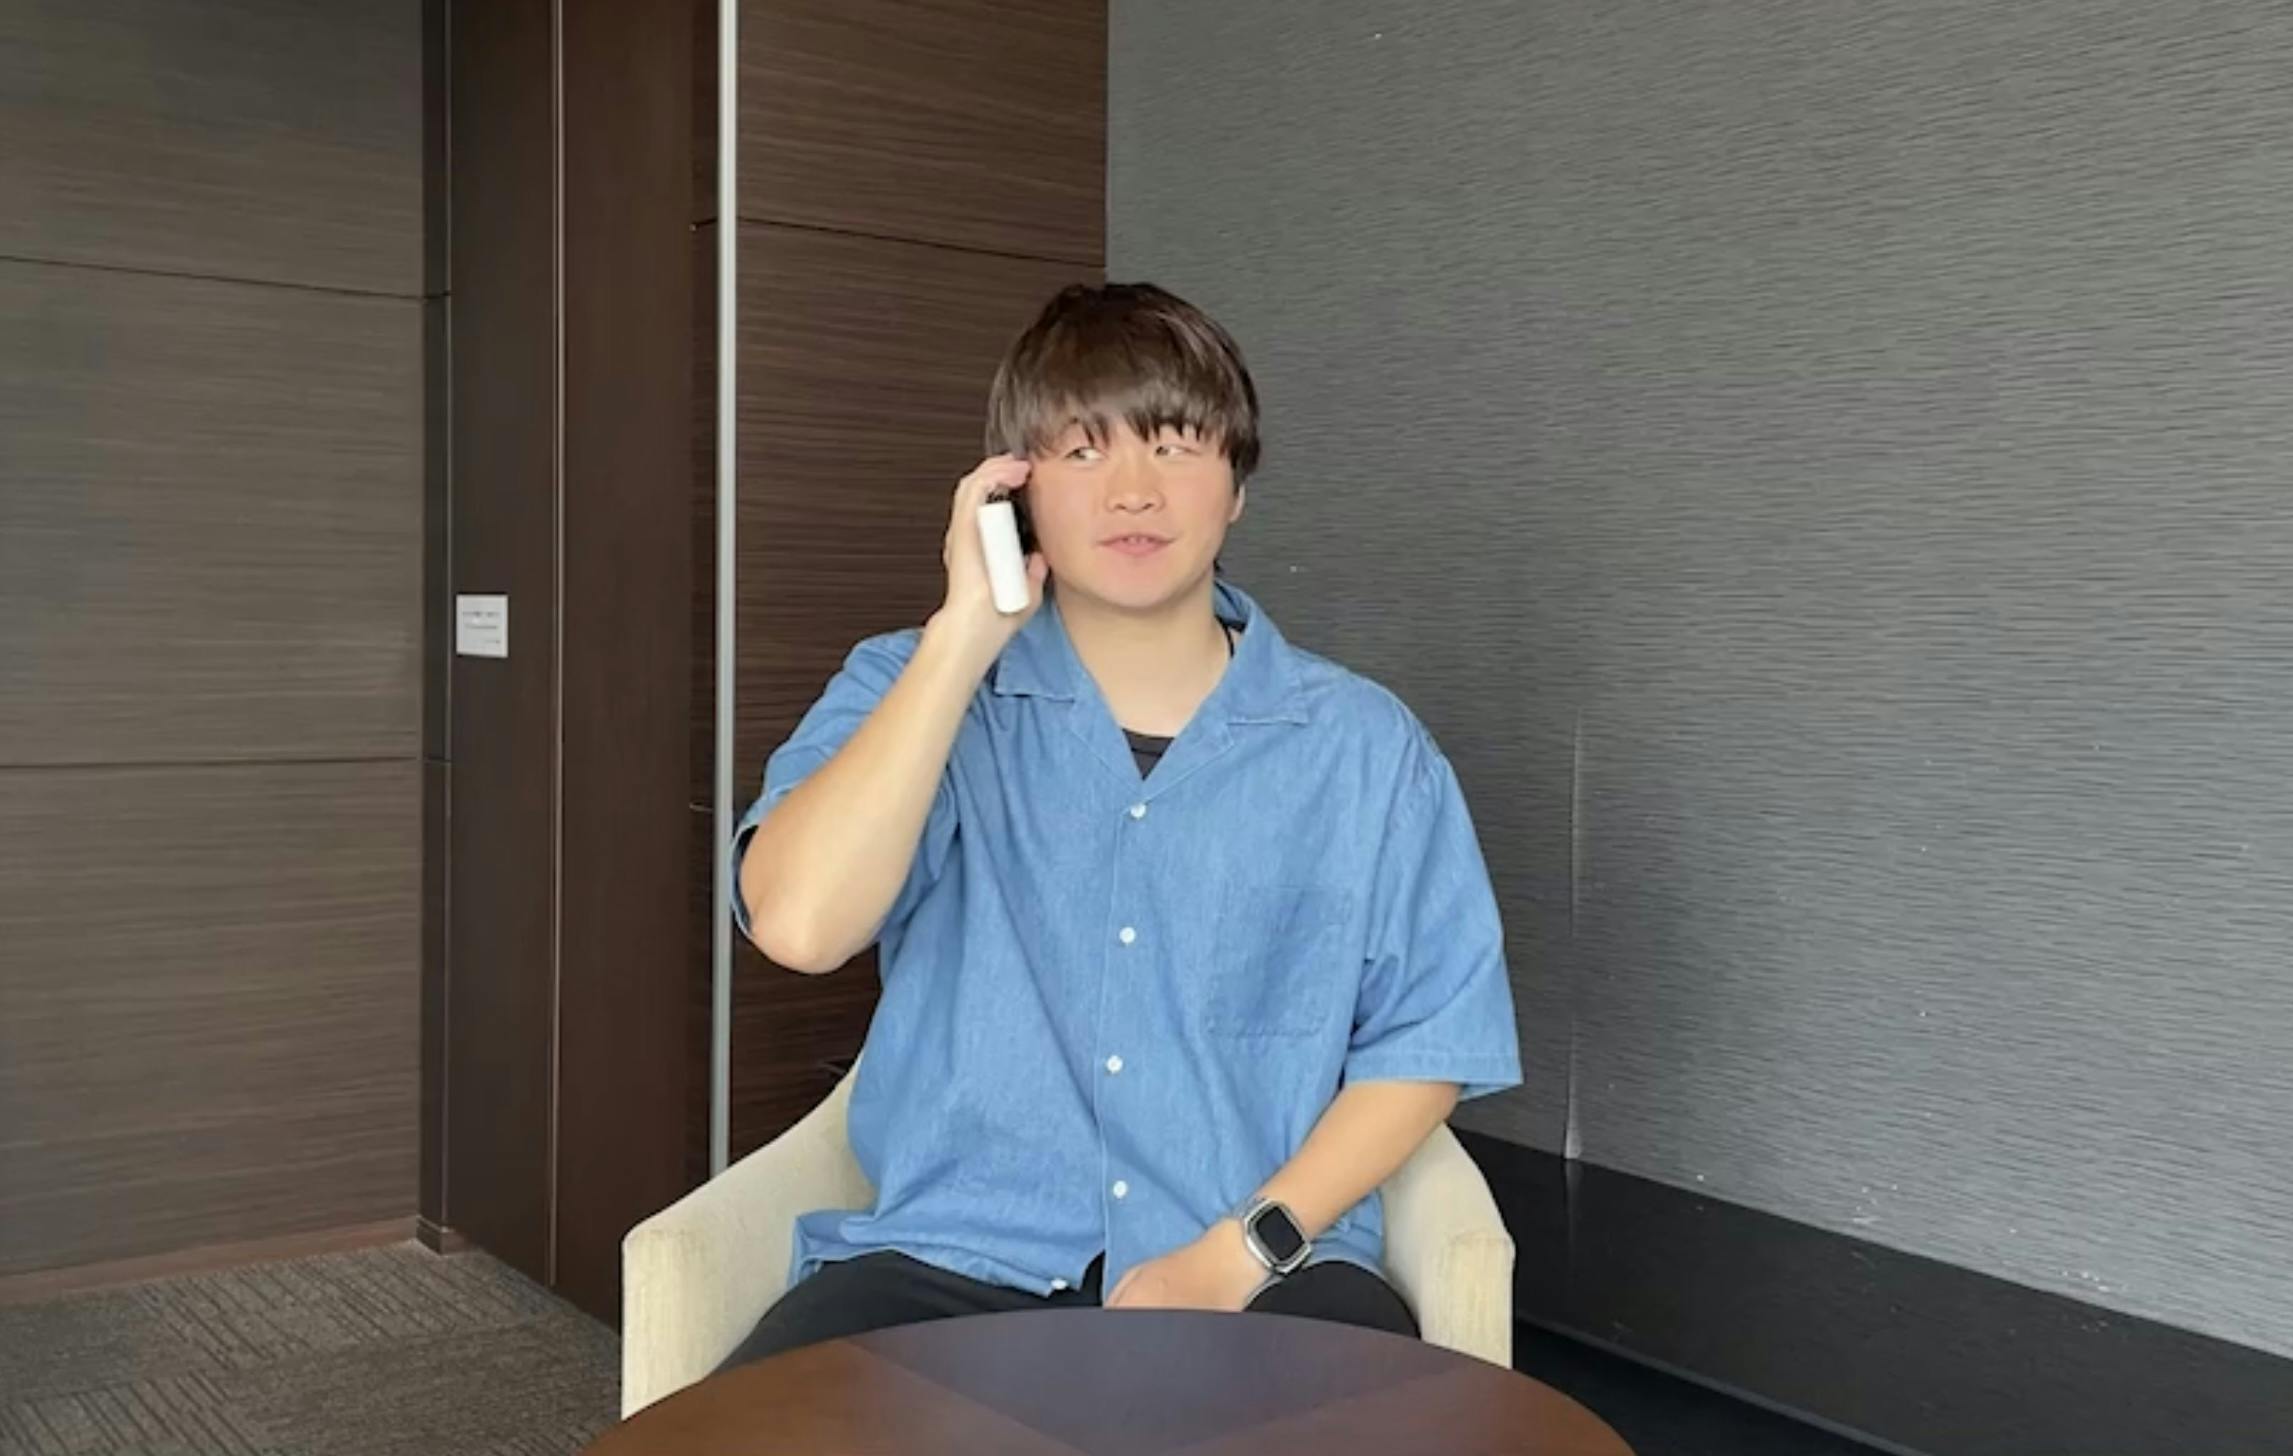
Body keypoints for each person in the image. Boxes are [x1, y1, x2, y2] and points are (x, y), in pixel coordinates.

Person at [718, 282, 1521, 1367]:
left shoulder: (1366, 748)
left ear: (1236, 485)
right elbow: (800, 926)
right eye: (1084, 451)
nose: (1134, 491)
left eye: (1175, 445)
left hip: (1261, 1278)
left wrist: (1240, 1251)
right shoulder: (907, 687)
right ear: (1014, 490)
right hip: (951, 1258)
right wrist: (962, 640)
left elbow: (1424, 1044)